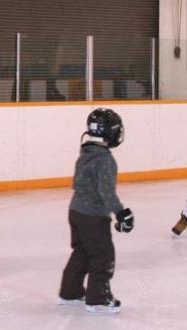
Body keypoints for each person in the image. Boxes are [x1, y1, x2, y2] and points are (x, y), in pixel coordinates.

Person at [58, 108, 135, 314]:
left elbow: (78, 183)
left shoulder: (85, 154)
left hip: (75, 211)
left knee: (82, 251)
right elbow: (105, 192)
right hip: (93, 216)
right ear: (110, 132)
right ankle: (98, 298)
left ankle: (70, 292)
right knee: (102, 254)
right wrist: (120, 212)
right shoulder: (105, 160)